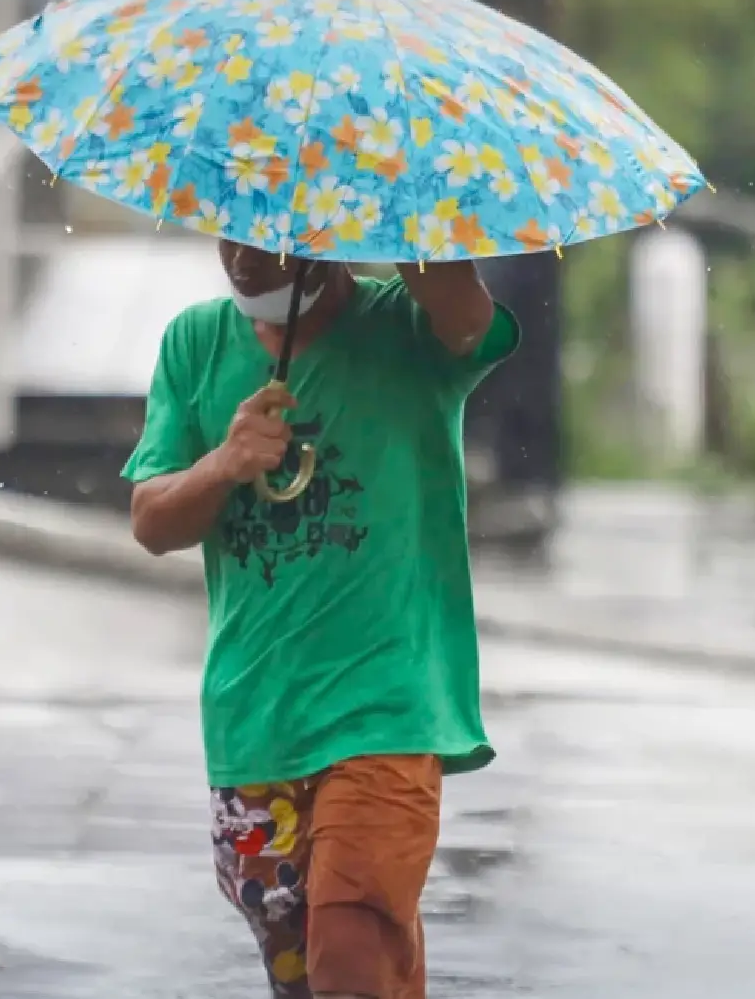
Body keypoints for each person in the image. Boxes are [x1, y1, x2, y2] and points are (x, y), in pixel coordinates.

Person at [124, 241, 518, 999]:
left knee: (349, 948)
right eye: (230, 224)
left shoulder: (407, 328)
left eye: (267, 231)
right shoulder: (195, 341)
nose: (240, 253)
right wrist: (224, 462)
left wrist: (399, 201)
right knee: (307, 973)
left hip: (388, 710)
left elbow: (469, 318)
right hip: (254, 720)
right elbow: (151, 521)